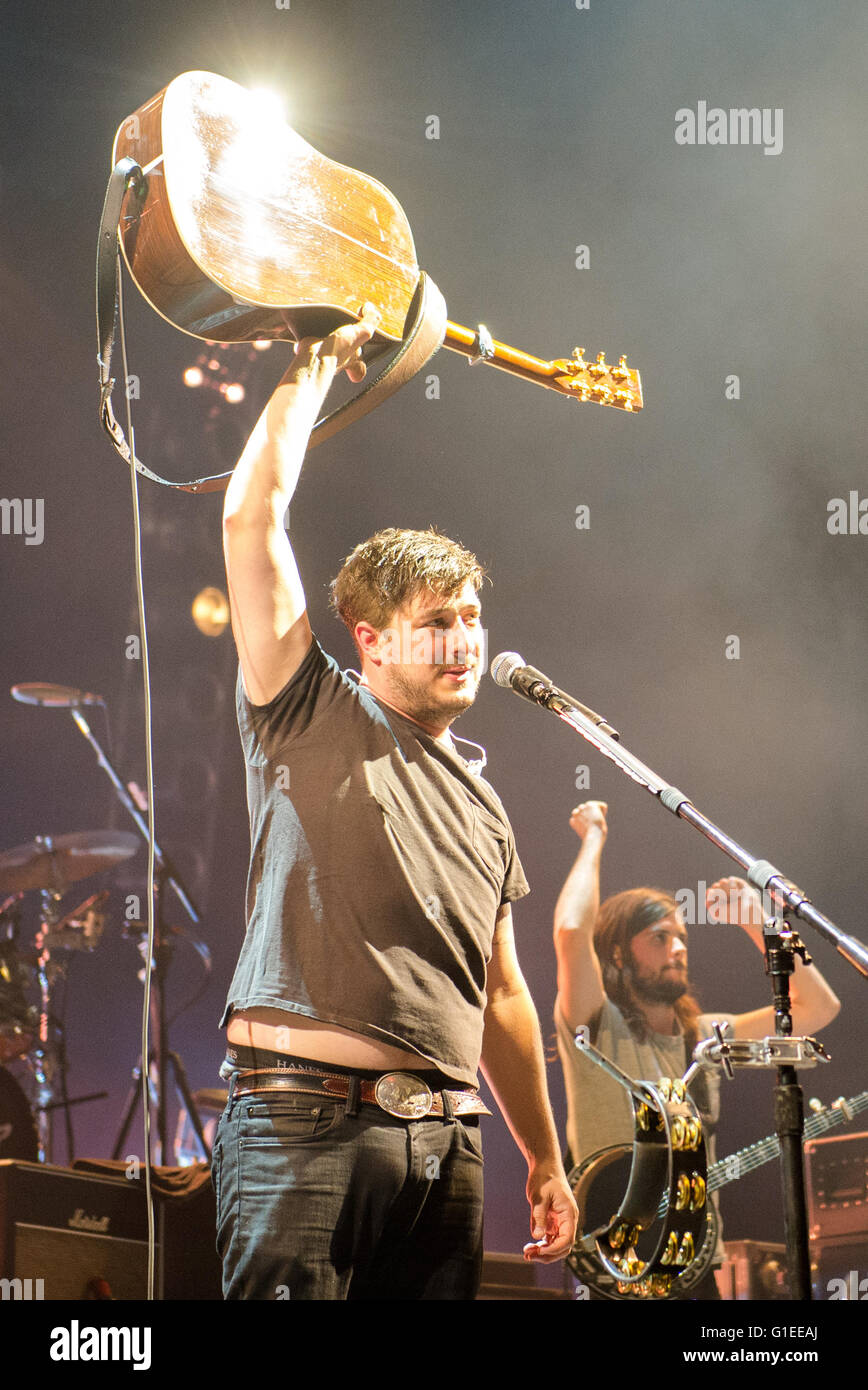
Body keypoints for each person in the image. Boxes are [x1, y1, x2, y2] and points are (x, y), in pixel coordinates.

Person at [212, 306, 577, 1299]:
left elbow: (501, 994)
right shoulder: (307, 706)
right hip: (302, 1130)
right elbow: (252, 518)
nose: (462, 638)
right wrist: (312, 364)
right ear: (367, 637)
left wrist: (544, 1155)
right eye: (434, 621)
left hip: (448, 1151)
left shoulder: (486, 805)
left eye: (470, 616)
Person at [553, 800, 840, 1298]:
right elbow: (573, 932)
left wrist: (760, 921)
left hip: (692, 1262)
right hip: (611, 1263)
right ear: (619, 952)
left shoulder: (705, 1036)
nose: (679, 948)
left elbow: (817, 1007)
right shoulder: (599, 1023)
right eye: (660, 938)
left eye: (682, 938)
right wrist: (594, 836)